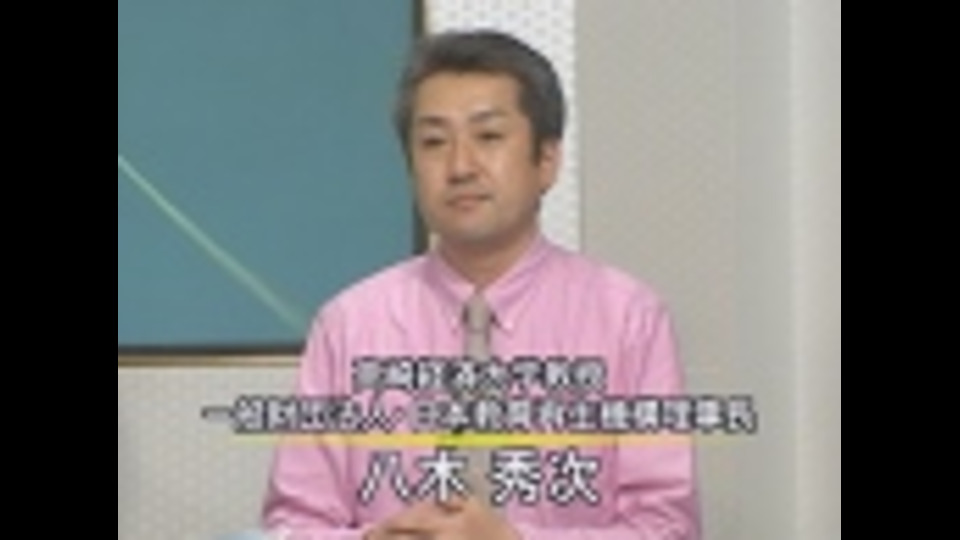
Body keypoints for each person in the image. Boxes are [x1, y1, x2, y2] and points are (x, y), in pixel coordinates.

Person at [261, 29, 700, 540]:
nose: (460, 166)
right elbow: (291, 526)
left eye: (488, 137)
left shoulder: (628, 319)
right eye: (433, 143)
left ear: (546, 160)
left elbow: (667, 528)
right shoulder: (349, 325)